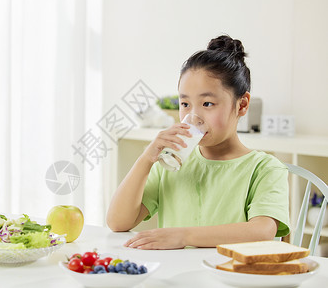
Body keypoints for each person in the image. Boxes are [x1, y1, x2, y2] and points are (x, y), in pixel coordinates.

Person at [106, 35, 290, 250]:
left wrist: (183, 237)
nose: (194, 116)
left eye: (208, 103)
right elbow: (118, 223)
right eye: (185, 103)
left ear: (242, 105)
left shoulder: (265, 168)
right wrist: (146, 159)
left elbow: (262, 231)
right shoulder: (171, 164)